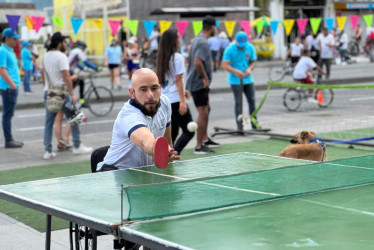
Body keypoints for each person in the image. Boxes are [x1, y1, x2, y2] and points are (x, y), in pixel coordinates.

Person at [96, 68, 180, 171]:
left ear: (160, 88)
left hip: (144, 173)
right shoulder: (128, 116)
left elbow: (167, 141)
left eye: (154, 88)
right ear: (132, 93)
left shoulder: (165, 103)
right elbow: (146, 140)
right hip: (114, 173)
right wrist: (158, 149)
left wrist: (168, 153)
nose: (150, 95)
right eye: (143, 89)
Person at [41, 32, 92, 159]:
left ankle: (47, 150)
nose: (66, 44)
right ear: (59, 43)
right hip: (62, 93)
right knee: (75, 117)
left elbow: (43, 75)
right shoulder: (61, 56)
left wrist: (46, 88)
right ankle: (77, 145)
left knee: (49, 121)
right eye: (64, 42)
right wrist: (72, 93)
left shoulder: (45, 56)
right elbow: (66, 77)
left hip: (48, 92)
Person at [156, 29, 195, 154]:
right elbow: (178, 80)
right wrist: (182, 101)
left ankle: (167, 155)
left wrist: (184, 91)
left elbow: (167, 80)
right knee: (189, 130)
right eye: (178, 38)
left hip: (165, 100)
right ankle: (173, 153)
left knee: (173, 132)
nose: (180, 40)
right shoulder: (177, 58)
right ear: (173, 41)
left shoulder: (162, 57)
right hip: (175, 100)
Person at [186, 15, 220, 154]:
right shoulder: (203, 42)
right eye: (215, 27)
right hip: (198, 82)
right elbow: (197, 62)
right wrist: (205, 78)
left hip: (197, 82)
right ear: (212, 27)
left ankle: (205, 138)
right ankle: (199, 146)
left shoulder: (198, 39)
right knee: (203, 111)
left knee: (207, 108)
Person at [222, 32, 259, 131]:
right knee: (238, 102)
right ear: (236, 41)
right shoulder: (229, 49)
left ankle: (254, 123)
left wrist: (250, 68)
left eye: (243, 45)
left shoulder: (250, 47)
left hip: (248, 79)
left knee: (252, 101)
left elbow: (253, 61)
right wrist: (235, 71)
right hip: (235, 80)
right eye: (240, 45)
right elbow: (225, 65)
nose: (242, 47)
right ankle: (239, 125)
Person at [0, 28, 23, 148]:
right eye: (14, 38)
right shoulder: (2, 51)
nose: (16, 41)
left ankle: (9, 139)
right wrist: (12, 83)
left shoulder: (10, 50)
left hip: (12, 87)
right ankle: (8, 140)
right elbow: (1, 70)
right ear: (7, 38)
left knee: (9, 114)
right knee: (7, 115)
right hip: (9, 88)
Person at [68, 40, 101, 105]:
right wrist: (96, 68)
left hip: (68, 70)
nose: (84, 50)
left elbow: (78, 64)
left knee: (75, 84)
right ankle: (81, 100)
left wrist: (85, 69)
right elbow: (85, 62)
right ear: (81, 47)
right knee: (81, 82)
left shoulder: (74, 51)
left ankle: (72, 98)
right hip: (68, 71)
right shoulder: (78, 51)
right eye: (84, 48)